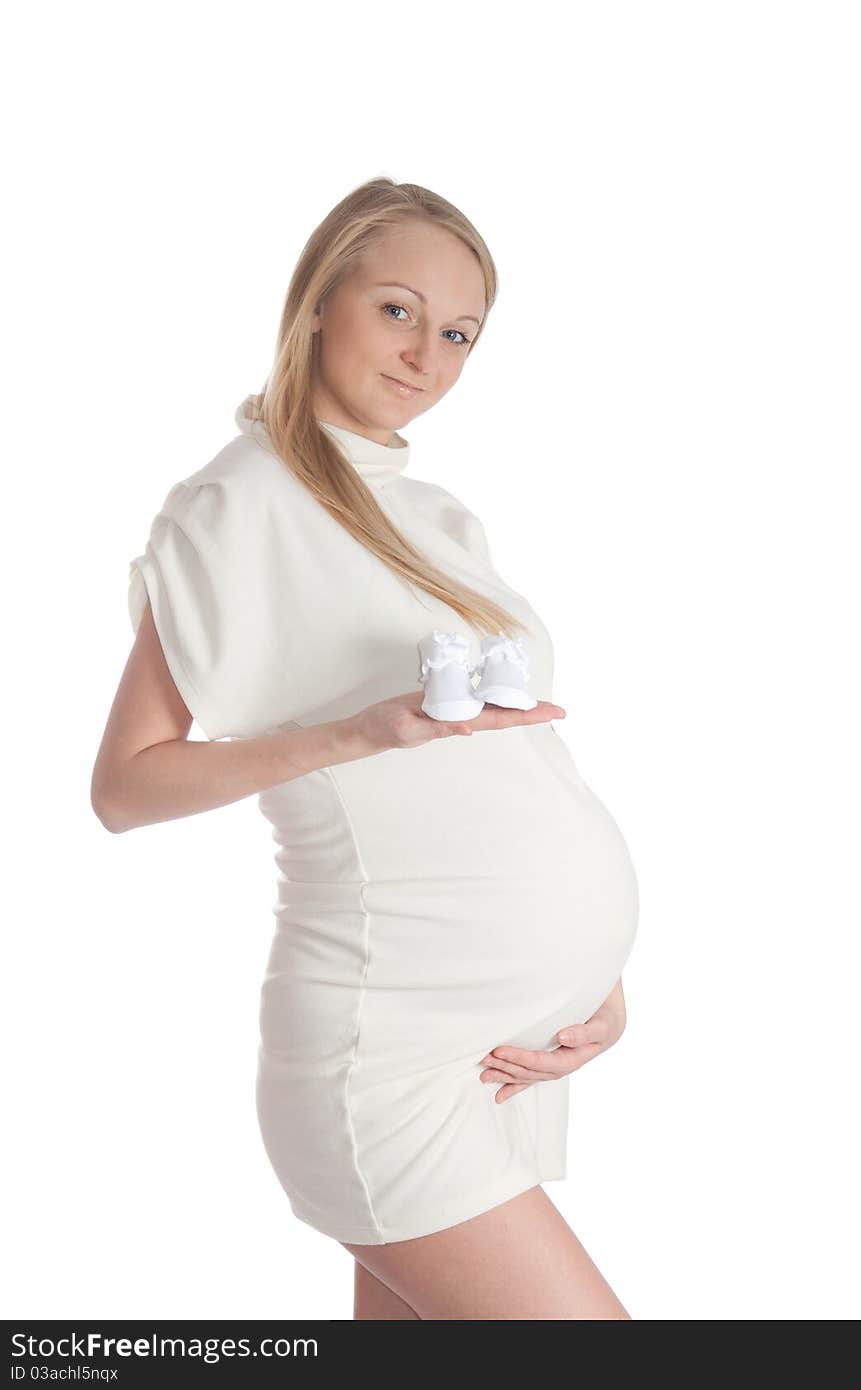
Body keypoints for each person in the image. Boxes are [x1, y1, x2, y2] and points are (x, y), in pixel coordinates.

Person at [91, 176, 640, 1320]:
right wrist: (349, 733)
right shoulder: (235, 505)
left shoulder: (436, 514)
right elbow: (125, 786)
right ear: (317, 305)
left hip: (494, 1056)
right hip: (384, 1058)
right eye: (398, 310)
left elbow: (511, 760)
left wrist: (596, 979)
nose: (426, 355)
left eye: (457, 334)